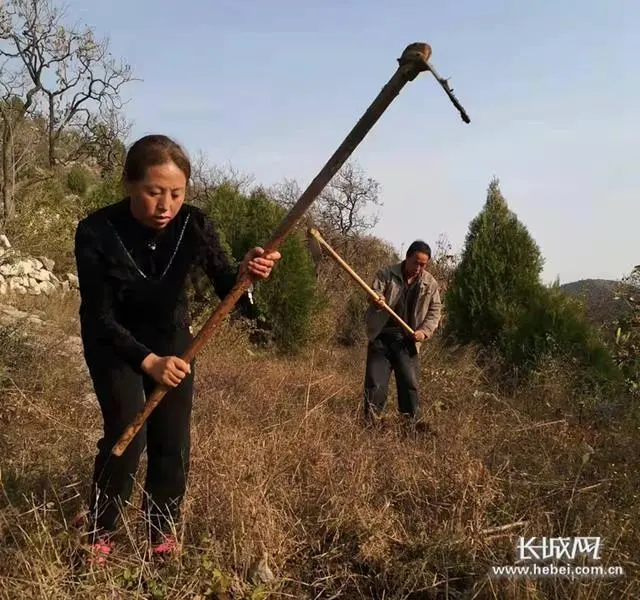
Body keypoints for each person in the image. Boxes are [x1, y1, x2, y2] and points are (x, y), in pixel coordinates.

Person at [74, 134, 281, 563]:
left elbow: (228, 287)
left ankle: (161, 533)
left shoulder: (194, 224)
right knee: (127, 435)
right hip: (115, 344)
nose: (166, 205)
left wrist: (248, 274)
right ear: (129, 183)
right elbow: (99, 316)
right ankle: (100, 530)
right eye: (154, 192)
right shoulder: (96, 231)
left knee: (172, 441)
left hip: (173, 341)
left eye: (176, 193)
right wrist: (148, 363)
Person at [362, 240, 442, 422]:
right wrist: (377, 298)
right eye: (416, 262)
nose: (418, 268)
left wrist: (424, 332)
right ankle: (371, 424)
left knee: (409, 385)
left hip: (408, 340)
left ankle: (409, 425)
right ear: (407, 258)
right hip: (381, 337)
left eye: (423, 265)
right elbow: (373, 292)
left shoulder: (430, 283)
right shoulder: (386, 273)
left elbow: (435, 311)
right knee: (375, 384)